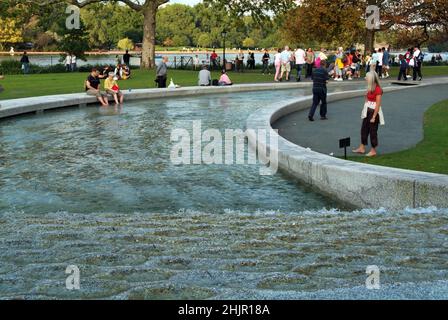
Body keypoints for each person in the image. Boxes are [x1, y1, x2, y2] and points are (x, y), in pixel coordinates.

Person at [353, 71, 385, 157]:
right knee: (364, 129)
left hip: (374, 111)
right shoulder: (369, 87)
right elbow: (367, 99)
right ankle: (362, 147)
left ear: (371, 79)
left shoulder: (378, 89)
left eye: (367, 77)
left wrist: (374, 116)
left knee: (373, 131)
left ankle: (373, 150)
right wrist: (365, 109)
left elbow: (378, 104)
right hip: (367, 110)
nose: (365, 78)